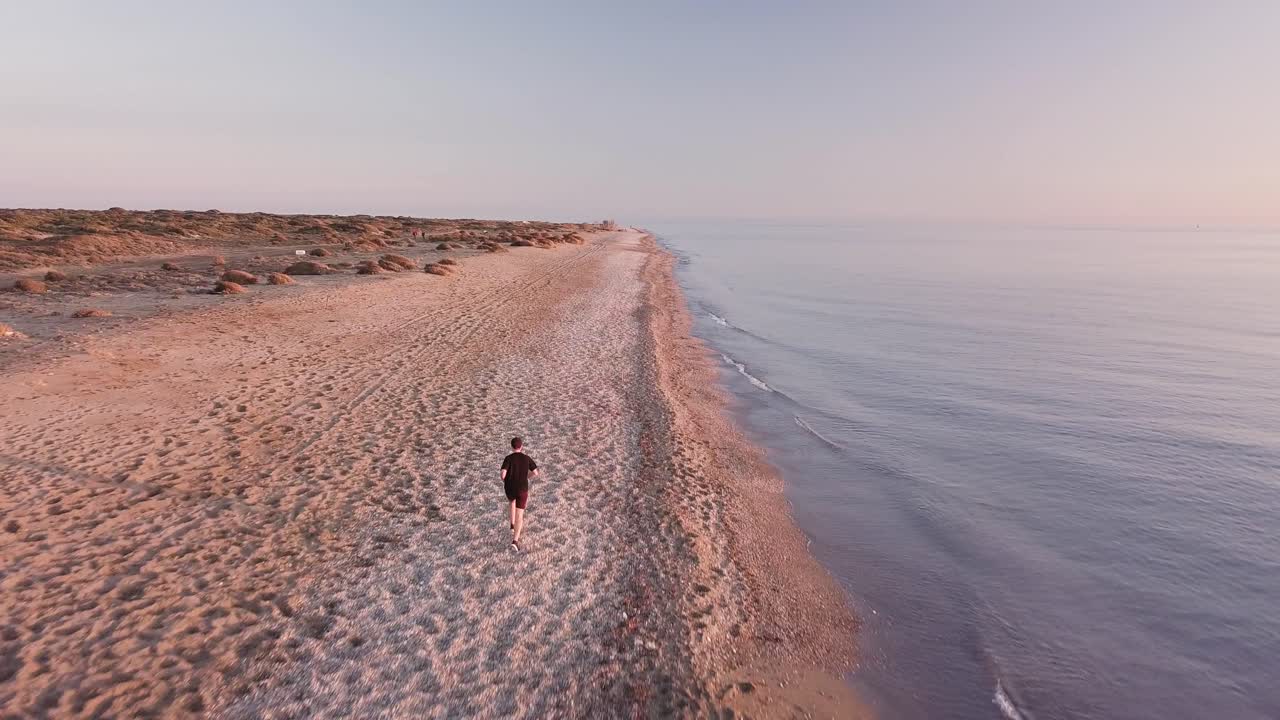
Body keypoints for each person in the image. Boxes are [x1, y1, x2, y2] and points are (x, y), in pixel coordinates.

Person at [500, 436, 538, 551]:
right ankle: (515, 541)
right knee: (520, 514)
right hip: (522, 489)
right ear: (521, 446)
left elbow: (502, 474)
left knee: (511, 501)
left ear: (512, 447)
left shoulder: (508, 458)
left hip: (510, 487)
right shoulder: (527, 458)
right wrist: (527, 476)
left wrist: (506, 481)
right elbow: (536, 473)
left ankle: (512, 525)